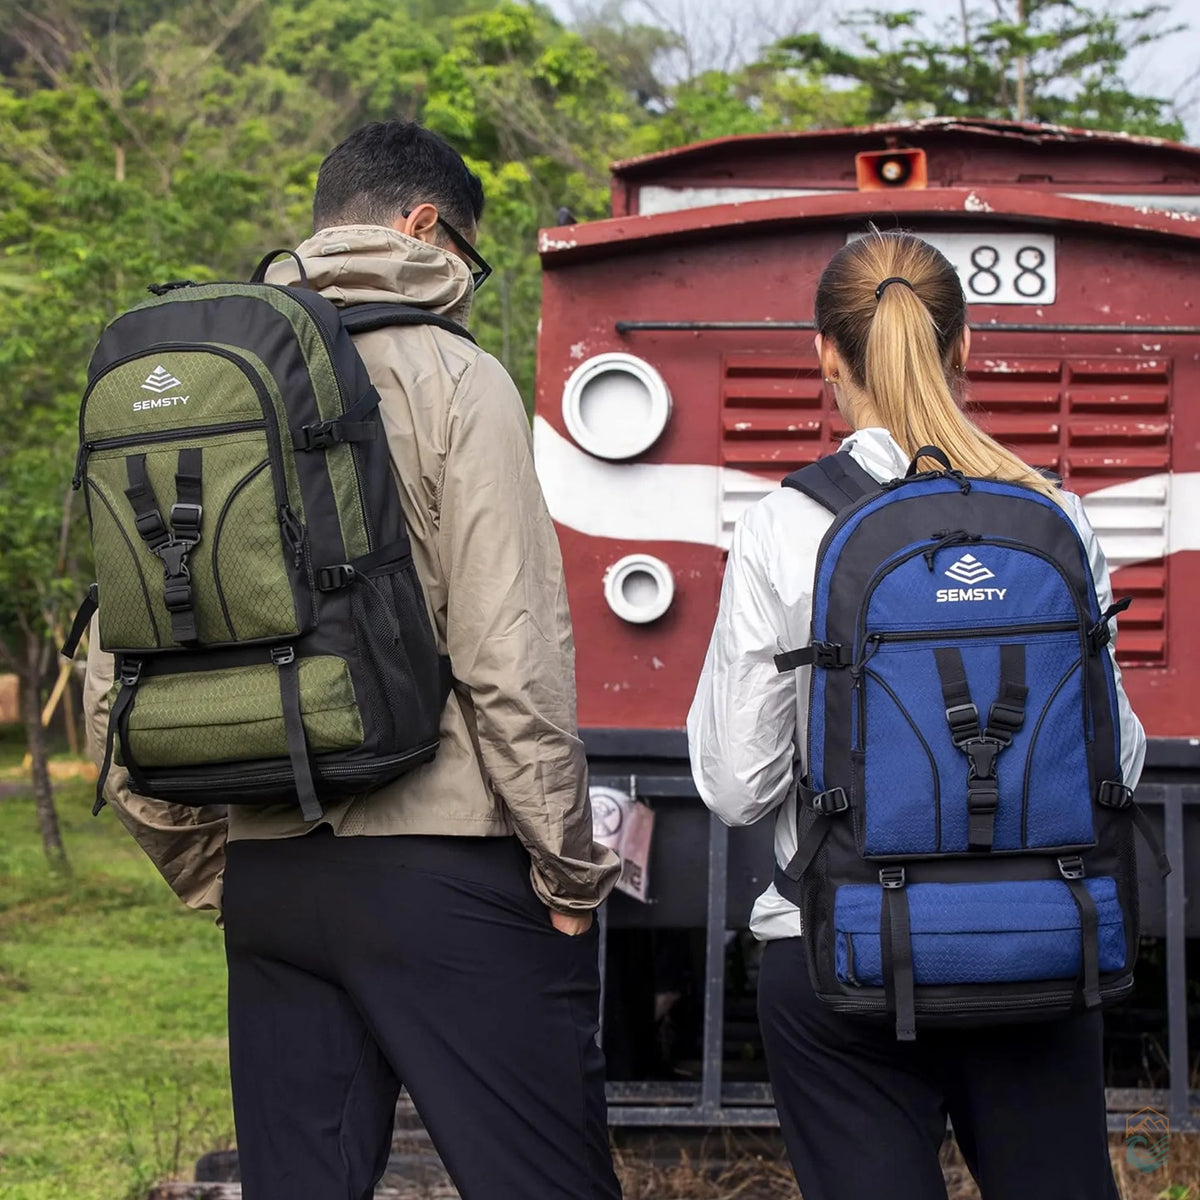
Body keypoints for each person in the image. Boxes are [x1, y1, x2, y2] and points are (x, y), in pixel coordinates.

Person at [83, 120, 622, 1200]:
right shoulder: (457, 379)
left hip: (273, 874)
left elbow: (114, 669)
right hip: (444, 869)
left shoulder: (207, 379)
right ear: (426, 228)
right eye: (469, 256)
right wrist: (568, 873)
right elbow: (510, 650)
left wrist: (211, 868)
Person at [687, 229, 1144, 1200]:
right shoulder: (1055, 515)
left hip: (839, 954)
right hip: (1036, 944)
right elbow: (1122, 761)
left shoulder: (784, 524)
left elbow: (735, 786)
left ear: (826, 354)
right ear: (967, 349)